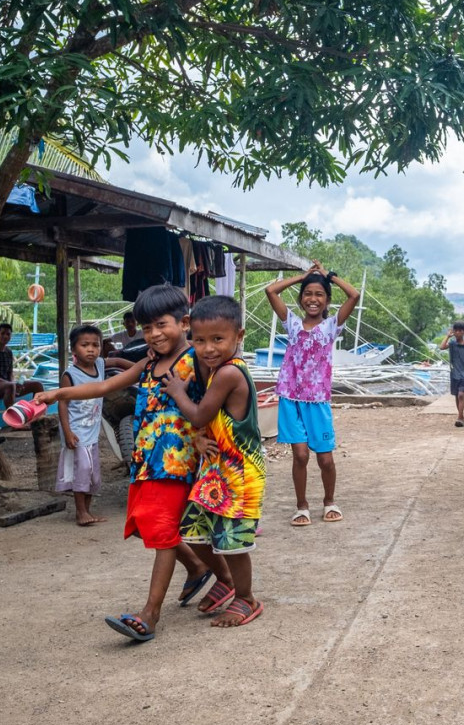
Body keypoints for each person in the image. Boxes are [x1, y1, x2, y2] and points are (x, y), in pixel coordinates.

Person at [36, 284, 233, 641]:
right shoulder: (148, 364)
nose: (154, 335)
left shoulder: (197, 362)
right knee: (147, 524)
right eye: (146, 328)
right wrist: (56, 393)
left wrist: (205, 435)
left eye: (161, 325)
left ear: (184, 322)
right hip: (146, 460)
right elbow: (100, 388)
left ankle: (150, 615)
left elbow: (214, 404)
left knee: (160, 531)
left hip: (178, 462)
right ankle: (206, 570)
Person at [165, 296, 267, 628]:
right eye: (199, 340)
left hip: (239, 475)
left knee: (234, 543)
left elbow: (199, 414)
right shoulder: (212, 370)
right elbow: (210, 423)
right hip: (215, 471)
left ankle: (246, 598)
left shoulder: (227, 374)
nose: (207, 348)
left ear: (239, 336)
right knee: (193, 531)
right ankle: (224, 580)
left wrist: (178, 391)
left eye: (218, 339)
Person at [266, 261, 360, 526]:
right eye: (308, 294)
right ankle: (302, 505)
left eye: (319, 294)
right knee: (300, 456)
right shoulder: (292, 324)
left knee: (326, 459)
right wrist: (303, 277)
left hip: (317, 401)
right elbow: (271, 291)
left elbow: (354, 295)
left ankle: (329, 501)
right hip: (290, 398)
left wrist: (329, 275)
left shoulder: (332, 326)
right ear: (300, 299)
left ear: (327, 300)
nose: (313, 299)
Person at [54, 324, 132, 526]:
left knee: (91, 473)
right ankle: (80, 512)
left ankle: (86, 511)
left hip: (92, 432)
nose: (91, 349)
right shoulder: (69, 375)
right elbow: (62, 404)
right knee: (83, 470)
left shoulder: (99, 364)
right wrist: (68, 432)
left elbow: (116, 360)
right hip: (76, 431)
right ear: (74, 350)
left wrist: (141, 367)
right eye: (85, 345)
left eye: (95, 345)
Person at [0, 321, 44, 409]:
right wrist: (11, 384)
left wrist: (15, 383)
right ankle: (12, 417)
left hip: (7, 385)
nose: (5, 336)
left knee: (37, 385)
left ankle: (38, 416)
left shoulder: (8, 352)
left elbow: (10, 373)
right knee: (11, 386)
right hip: (4, 385)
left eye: (8, 334)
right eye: (2, 333)